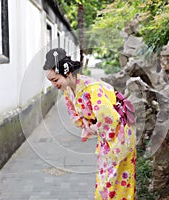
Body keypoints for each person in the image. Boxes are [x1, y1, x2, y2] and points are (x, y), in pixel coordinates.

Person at [43, 48, 136, 200]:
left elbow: (110, 119)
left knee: (113, 181)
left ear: (67, 73)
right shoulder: (68, 89)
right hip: (107, 136)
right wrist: (86, 123)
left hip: (119, 134)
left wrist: (92, 127)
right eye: (51, 81)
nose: (54, 84)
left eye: (55, 80)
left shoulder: (92, 88)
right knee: (105, 179)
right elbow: (76, 114)